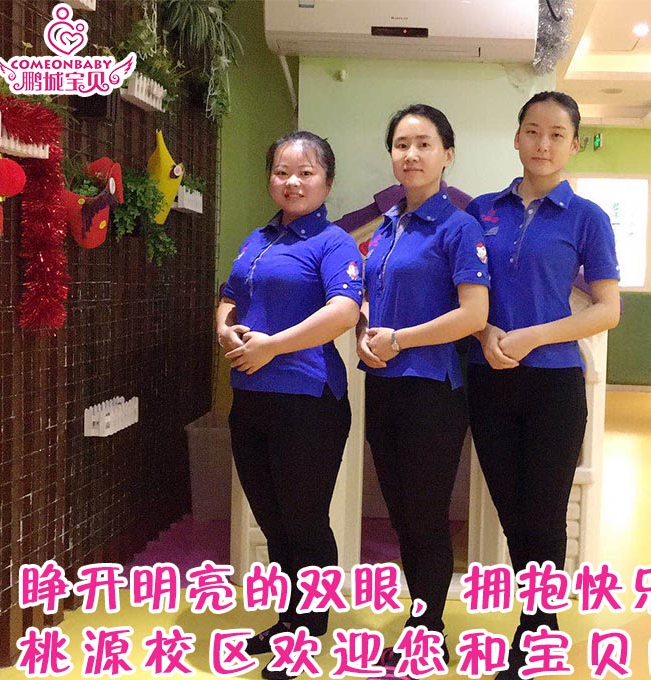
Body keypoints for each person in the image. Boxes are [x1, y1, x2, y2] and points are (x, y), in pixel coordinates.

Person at [465, 91, 621, 680]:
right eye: (533, 130)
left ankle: (535, 633)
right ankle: (539, 622)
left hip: (554, 384)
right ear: (517, 137)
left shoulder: (587, 218)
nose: (543, 143)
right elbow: (463, 292)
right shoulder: (482, 211)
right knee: (512, 511)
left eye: (557, 134)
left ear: (574, 144)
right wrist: (484, 333)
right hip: (489, 378)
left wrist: (533, 336)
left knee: (545, 511)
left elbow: (607, 309)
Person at [216, 131, 362, 680]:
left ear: (327, 181)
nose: (292, 182)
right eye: (281, 172)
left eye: (305, 172)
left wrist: (273, 346)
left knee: (304, 519)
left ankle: (305, 630)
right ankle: (290, 619)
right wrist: (225, 331)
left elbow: (344, 311)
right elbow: (230, 296)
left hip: (309, 400)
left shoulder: (333, 242)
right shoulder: (258, 238)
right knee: (274, 520)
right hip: (251, 397)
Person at [356, 104, 490, 672]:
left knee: (425, 516)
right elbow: (370, 300)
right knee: (402, 516)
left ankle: (429, 632)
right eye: (401, 144)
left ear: (447, 155)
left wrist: (399, 340)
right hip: (384, 387)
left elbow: (474, 314)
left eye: (424, 144)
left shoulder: (460, 227)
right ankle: (422, 620)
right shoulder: (386, 227)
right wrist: (366, 333)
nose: (411, 154)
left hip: (432, 389)